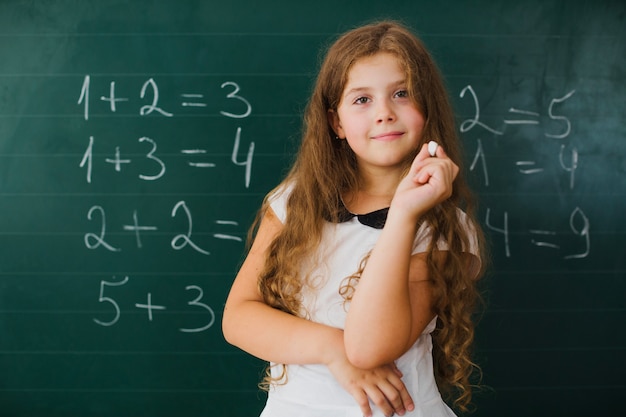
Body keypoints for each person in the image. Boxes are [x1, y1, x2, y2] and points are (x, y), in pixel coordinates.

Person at [222, 20, 486, 417]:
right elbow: (238, 318)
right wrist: (332, 351)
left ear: (427, 107)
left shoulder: (446, 232)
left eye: (402, 93)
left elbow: (368, 348)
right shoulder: (295, 202)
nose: (384, 113)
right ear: (336, 123)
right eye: (362, 100)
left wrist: (403, 213)